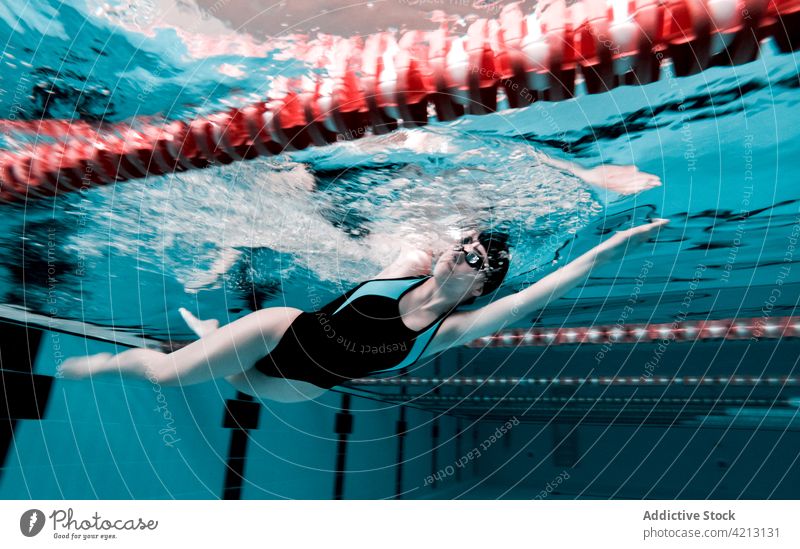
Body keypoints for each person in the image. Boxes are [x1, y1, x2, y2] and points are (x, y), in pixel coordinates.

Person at [60, 218, 669, 403]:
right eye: (462, 246)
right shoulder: (405, 262)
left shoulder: (452, 329)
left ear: (482, 287)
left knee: (232, 386)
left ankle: (214, 337)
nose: (462, 254)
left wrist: (610, 249)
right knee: (169, 375)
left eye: (475, 258)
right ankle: (103, 366)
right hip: (282, 330)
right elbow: (427, 223)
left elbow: (544, 291)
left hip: (304, 386)